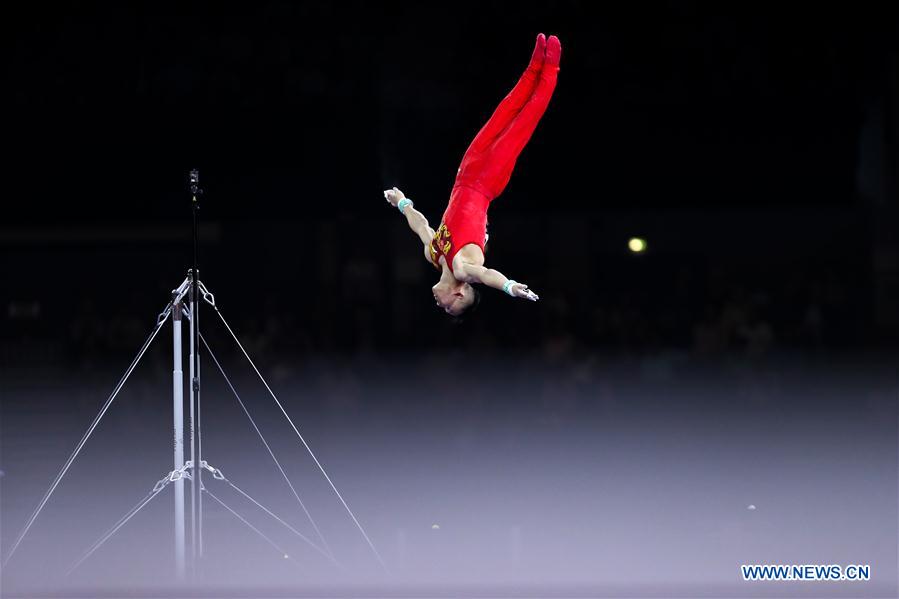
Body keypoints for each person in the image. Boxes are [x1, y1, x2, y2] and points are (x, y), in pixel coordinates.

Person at [385, 33, 561, 316]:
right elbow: (486, 275)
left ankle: (534, 66)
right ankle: (550, 69)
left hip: (464, 175)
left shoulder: (434, 256)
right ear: (459, 293)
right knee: (523, 123)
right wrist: (510, 286)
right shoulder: (463, 269)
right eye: (450, 308)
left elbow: (421, 226)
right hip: (486, 183)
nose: (442, 306)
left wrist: (402, 203)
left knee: (503, 113)